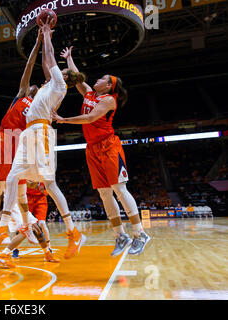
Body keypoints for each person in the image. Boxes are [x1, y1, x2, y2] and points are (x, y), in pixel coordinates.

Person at [0, 21, 86, 260]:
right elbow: (42, 64)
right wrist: (41, 42)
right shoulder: (44, 89)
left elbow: (49, 61)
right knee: (12, 176)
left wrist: (47, 35)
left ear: (64, 77)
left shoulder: (58, 85)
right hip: (26, 134)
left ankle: (72, 231)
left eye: (59, 71)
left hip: (40, 132)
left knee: (49, 184)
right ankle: (0, 228)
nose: (47, 75)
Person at [51, 46, 151, 256]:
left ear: (108, 86)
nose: (97, 79)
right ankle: (120, 235)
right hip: (92, 149)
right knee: (105, 194)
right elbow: (77, 78)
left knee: (119, 190)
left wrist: (63, 119)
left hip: (109, 146)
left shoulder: (108, 100)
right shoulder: (89, 93)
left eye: (102, 78)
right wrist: (69, 58)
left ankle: (139, 233)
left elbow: (89, 118)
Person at [0, 29, 42, 236]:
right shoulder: (22, 95)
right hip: (5, 138)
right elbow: (29, 66)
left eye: (39, 86)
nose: (34, 86)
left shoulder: (39, 107)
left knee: (21, 192)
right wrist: (38, 43)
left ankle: (27, 227)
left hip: (22, 145)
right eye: (33, 85)